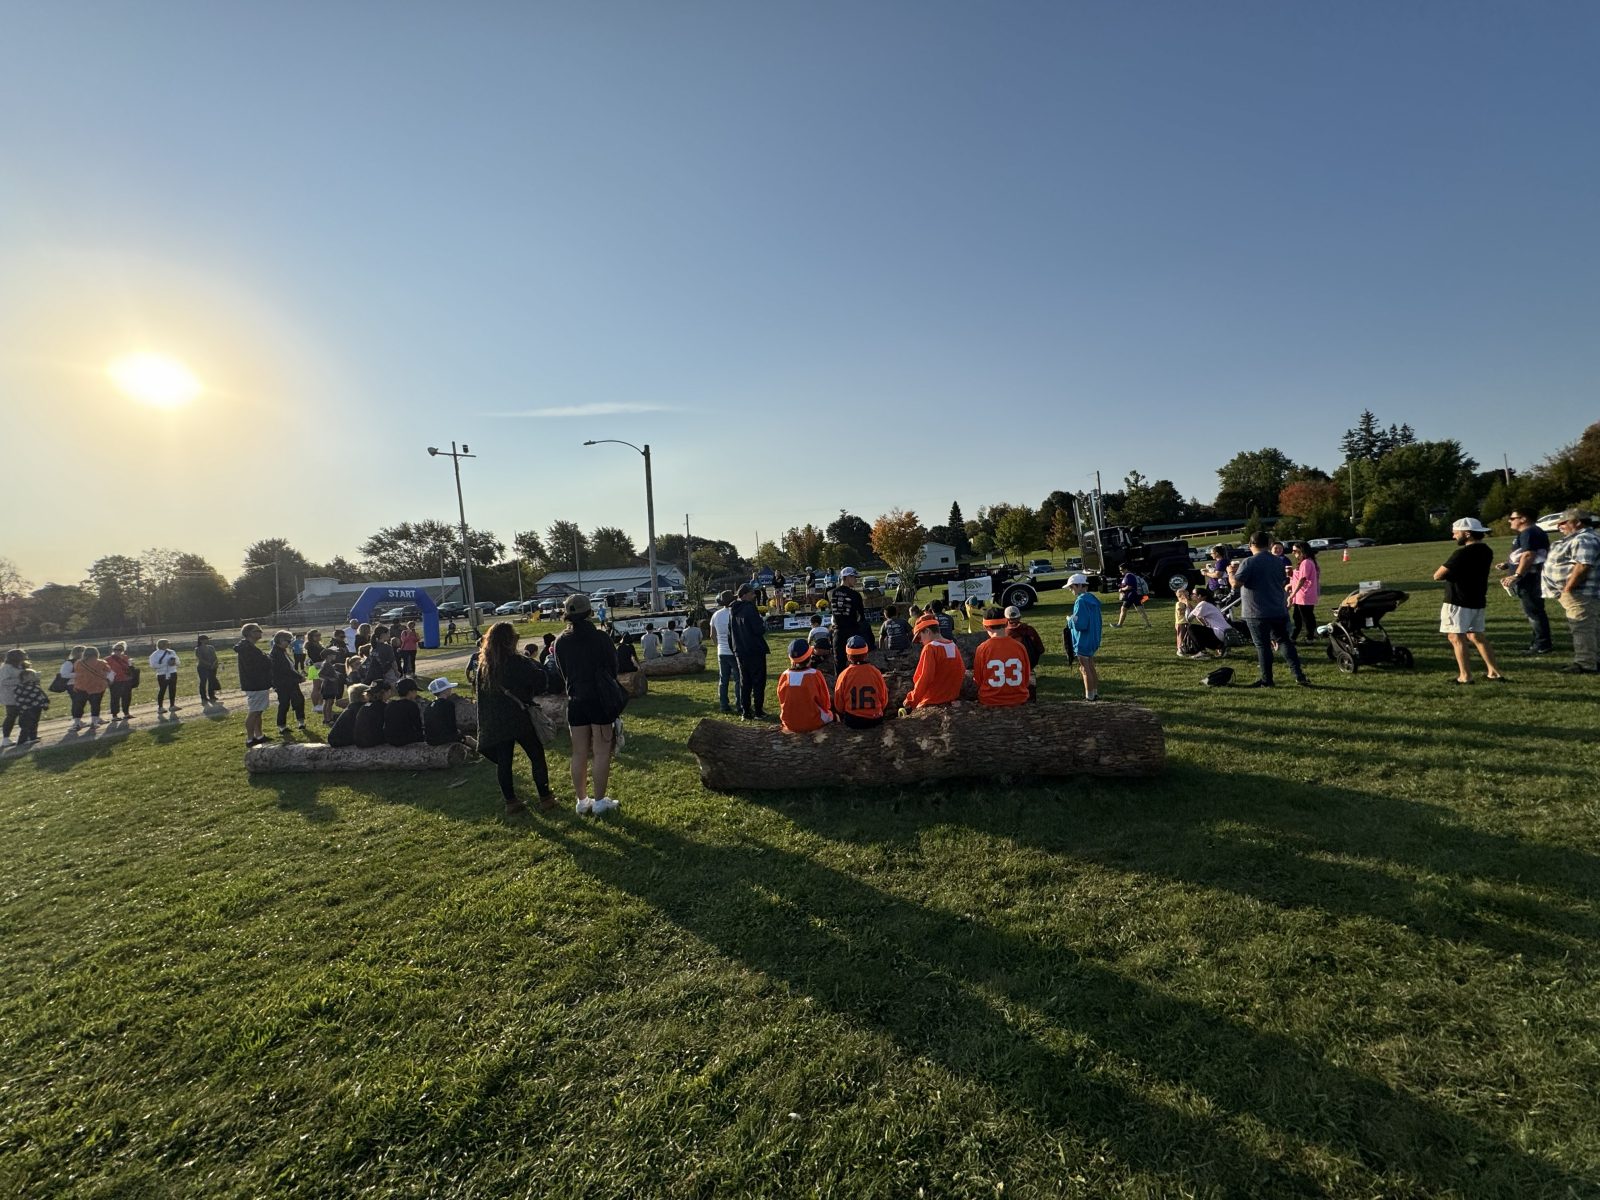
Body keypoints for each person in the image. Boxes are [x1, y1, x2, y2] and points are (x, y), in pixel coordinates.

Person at [553, 596, 628, 815]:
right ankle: (600, 801)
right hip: (600, 699)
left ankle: (582, 800)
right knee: (601, 752)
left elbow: (561, 670)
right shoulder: (600, 637)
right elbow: (613, 666)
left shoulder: (560, 641)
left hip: (576, 700)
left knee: (578, 753)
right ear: (589, 612)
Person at [475, 621, 558, 814]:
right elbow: (540, 681)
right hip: (519, 717)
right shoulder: (516, 662)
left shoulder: (484, 666)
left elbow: (482, 698)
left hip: (496, 720)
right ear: (509, 640)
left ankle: (510, 801)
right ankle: (545, 797)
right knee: (536, 756)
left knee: (504, 762)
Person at [1229, 531, 1311, 689]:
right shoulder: (1278, 561)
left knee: (1262, 646)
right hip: (1277, 608)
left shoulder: (1249, 562)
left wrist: (1231, 573)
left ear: (1251, 544)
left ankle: (1267, 680)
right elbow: (1282, 580)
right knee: (1284, 641)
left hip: (1256, 611)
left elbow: (1236, 584)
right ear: (1268, 544)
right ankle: (1298, 675)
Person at [1434, 517, 1506, 684]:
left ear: (1467, 533)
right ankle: (1494, 672)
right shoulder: (1486, 550)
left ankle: (1465, 676)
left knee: (1455, 637)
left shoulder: (1461, 553)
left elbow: (1438, 575)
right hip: (1478, 599)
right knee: (1476, 635)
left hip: (1458, 600)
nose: (1453, 536)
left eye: (1456, 533)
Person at [1541, 508, 1600, 673]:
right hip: (1578, 592)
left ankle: (1586, 663)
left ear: (1578, 522)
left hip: (1580, 592)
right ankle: (1594, 659)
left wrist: (1568, 588)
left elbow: (1583, 565)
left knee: (1581, 626)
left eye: (1563, 523)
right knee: (1591, 626)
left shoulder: (1584, 539)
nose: (1559, 526)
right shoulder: (1580, 538)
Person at [1501, 509, 1553, 655]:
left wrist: (1517, 575)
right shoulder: (1531, 532)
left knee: (1534, 611)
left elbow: (1529, 555)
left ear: (1523, 519)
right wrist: (1508, 564)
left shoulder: (1529, 532)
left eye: (1512, 518)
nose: (1509, 521)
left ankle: (1542, 644)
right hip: (1530, 576)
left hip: (1530, 578)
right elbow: (1524, 554)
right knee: (1534, 610)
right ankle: (1540, 642)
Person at [902, 613, 964, 710]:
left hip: (931, 700)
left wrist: (912, 700)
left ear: (927, 631)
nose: (920, 641)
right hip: (950, 698)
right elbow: (961, 671)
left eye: (920, 637)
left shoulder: (930, 648)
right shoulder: (952, 645)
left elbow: (925, 678)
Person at [973, 606, 1031, 708]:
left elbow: (978, 679)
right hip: (1018, 698)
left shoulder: (982, 648)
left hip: (990, 699)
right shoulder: (1019, 647)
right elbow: (1026, 677)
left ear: (985, 626)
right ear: (1006, 623)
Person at [729, 583, 771, 720]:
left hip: (740, 650)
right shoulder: (749, 608)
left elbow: (730, 631)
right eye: (752, 594)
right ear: (745, 594)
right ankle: (758, 711)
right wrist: (763, 623)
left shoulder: (733, 609)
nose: (754, 596)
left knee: (745, 682)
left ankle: (745, 711)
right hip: (754, 649)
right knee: (758, 681)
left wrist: (734, 648)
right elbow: (758, 629)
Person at [775, 638, 835, 732]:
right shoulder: (815, 674)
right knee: (832, 715)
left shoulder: (784, 675)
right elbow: (825, 702)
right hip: (813, 722)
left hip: (789, 723)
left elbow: (782, 700)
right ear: (809, 656)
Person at [833, 636, 888, 729]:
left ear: (848, 656)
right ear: (866, 654)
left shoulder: (844, 674)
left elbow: (839, 705)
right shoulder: (876, 672)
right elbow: (884, 700)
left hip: (853, 721)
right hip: (875, 719)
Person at [1066, 573, 1103, 700]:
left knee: (1084, 668)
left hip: (1083, 639)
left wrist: (1070, 621)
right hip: (1093, 638)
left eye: (1072, 587)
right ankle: (1095, 692)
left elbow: (1080, 624)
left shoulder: (1080, 601)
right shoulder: (1092, 599)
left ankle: (1089, 696)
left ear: (1080, 586)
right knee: (1091, 666)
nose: (1071, 590)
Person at [236, 624, 273, 747]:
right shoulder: (248, 649)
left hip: (258, 683)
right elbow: (259, 665)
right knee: (254, 711)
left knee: (258, 711)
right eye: (257, 631)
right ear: (249, 633)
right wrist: (267, 659)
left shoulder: (249, 647)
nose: (260, 633)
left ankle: (259, 735)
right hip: (255, 683)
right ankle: (250, 739)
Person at [828, 568, 874, 661]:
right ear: (847, 577)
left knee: (839, 662)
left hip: (838, 633)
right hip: (852, 633)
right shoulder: (855, 595)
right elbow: (861, 616)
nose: (856, 580)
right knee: (856, 661)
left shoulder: (832, 593)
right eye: (854, 577)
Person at [270, 630, 309, 734]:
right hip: (283, 683)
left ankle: (300, 722)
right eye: (288, 641)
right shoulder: (276, 653)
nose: (289, 643)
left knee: (299, 700)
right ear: (281, 640)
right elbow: (286, 669)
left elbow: (290, 667)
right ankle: (282, 726)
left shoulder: (282, 651)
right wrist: (299, 677)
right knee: (284, 704)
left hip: (290, 681)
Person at [1175, 585, 1229, 658]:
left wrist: (1186, 603)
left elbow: (1188, 619)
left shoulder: (1203, 604)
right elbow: (1199, 618)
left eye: (1193, 594)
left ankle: (1202, 652)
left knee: (1191, 628)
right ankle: (1221, 647)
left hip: (1219, 634)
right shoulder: (1209, 604)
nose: (1191, 595)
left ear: (1200, 596)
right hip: (1225, 635)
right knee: (1200, 630)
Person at [710, 590, 741, 714]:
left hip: (721, 651)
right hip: (733, 651)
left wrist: (718, 646)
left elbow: (712, 635)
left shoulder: (716, 615)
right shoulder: (734, 613)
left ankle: (724, 705)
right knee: (738, 679)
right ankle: (739, 704)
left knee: (723, 679)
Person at [423, 677, 476, 749]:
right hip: (443, 739)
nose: (451, 689)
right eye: (449, 688)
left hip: (430, 740)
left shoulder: (429, 706)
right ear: (444, 691)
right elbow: (452, 725)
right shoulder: (448, 704)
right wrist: (458, 734)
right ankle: (481, 751)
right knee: (469, 739)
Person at [1286, 543, 1321, 644]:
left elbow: (1302, 579)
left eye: (1295, 550)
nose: (1293, 553)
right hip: (1300, 596)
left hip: (1304, 595)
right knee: (1297, 617)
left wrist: (1292, 594)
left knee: (1306, 618)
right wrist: (1291, 583)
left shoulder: (1306, 562)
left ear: (1302, 551)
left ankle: (1310, 638)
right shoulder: (1306, 562)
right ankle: (1293, 637)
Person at [72, 646, 111, 729]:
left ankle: (77, 723)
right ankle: (94, 722)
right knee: (95, 705)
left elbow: (76, 672)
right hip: (97, 687)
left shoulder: (78, 663)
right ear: (97, 653)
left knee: (79, 705)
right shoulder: (101, 662)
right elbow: (109, 671)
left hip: (81, 687)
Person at [11, 664, 49, 748]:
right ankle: (23, 740)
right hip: (27, 708)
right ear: (24, 677)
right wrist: (25, 706)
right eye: (32, 675)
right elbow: (19, 698)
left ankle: (32, 736)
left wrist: (44, 703)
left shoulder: (35, 685)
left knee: (35, 722)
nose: (34, 677)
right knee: (26, 724)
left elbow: (41, 695)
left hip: (36, 707)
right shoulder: (21, 687)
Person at [1004, 605, 1046, 678]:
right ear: (1020, 617)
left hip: (1009, 665)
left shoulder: (1003, 633)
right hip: (1029, 663)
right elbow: (1041, 649)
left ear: (1005, 619)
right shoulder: (1029, 629)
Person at [384, 676, 427, 746]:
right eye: (415, 691)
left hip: (391, 739)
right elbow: (418, 725)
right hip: (406, 739)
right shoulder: (412, 705)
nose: (416, 694)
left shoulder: (391, 704)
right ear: (410, 692)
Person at [326, 683, 368, 748]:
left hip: (335, 739)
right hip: (340, 741)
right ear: (363, 696)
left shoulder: (351, 707)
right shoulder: (360, 709)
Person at [353, 678, 392, 747]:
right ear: (385, 692)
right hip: (372, 741)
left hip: (359, 741)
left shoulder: (365, 706)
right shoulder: (384, 707)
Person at [104, 641, 134, 722]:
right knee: (115, 698)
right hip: (115, 681)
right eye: (115, 649)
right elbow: (104, 670)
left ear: (123, 650)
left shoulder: (126, 658)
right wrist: (107, 680)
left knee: (127, 697)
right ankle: (114, 715)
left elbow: (130, 668)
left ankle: (126, 713)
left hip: (126, 680)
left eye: (120, 649)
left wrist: (131, 666)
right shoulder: (108, 659)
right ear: (113, 650)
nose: (117, 651)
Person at [1113, 563, 1150, 628]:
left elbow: (1129, 587)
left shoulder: (1129, 576)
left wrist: (1121, 589)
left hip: (1130, 595)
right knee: (1140, 609)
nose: (1120, 571)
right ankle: (1148, 624)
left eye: (1121, 570)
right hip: (1135, 595)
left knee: (1123, 609)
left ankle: (1119, 624)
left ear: (1126, 569)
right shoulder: (1131, 575)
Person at [0, 649, 23, 749]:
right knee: (11, 716)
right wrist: (20, 680)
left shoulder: (18, 666)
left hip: (20, 695)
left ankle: (24, 735)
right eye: (21, 656)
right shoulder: (6, 668)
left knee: (24, 714)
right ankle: (5, 739)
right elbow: (4, 681)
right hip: (10, 696)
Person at [150, 639, 180, 714]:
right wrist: (166, 664)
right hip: (162, 674)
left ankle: (172, 705)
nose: (169, 645)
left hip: (172, 672)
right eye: (167, 643)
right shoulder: (155, 654)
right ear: (162, 645)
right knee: (162, 690)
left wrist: (174, 663)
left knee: (172, 689)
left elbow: (178, 662)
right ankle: (160, 707)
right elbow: (153, 665)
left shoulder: (172, 652)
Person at [318, 643, 346, 723]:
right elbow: (320, 674)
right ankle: (328, 719)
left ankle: (326, 718)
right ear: (328, 656)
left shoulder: (327, 664)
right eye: (334, 654)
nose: (335, 655)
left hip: (328, 686)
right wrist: (330, 678)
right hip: (329, 687)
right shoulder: (326, 664)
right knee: (329, 703)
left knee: (327, 702)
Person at [195, 635, 222, 705]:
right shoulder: (198, 649)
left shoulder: (211, 647)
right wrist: (209, 664)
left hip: (212, 667)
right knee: (203, 682)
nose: (207, 640)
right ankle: (203, 697)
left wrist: (215, 663)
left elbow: (215, 656)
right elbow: (200, 659)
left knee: (211, 681)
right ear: (201, 640)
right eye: (205, 639)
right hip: (202, 667)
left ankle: (211, 695)